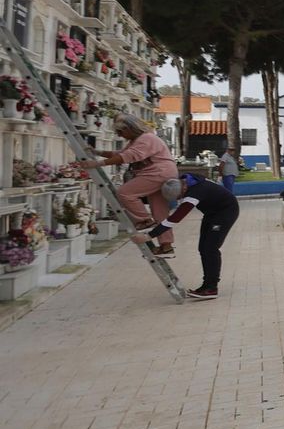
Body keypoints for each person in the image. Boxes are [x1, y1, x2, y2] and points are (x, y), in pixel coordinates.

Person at [78, 113, 178, 256]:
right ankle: (166, 244)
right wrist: (97, 152)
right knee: (160, 211)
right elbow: (120, 153)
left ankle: (144, 220)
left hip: (157, 172)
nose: (120, 135)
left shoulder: (146, 139)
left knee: (125, 193)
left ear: (131, 128)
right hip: (161, 172)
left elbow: (127, 156)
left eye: (121, 131)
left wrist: (97, 163)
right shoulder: (138, 140)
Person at [130, 173, 239, 299]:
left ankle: (211, 288)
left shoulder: (194, 194)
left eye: (179, 197)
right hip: (211, 213)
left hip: (226, 212)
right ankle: (207, 285)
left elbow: (174, 219)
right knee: (203, 248)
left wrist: (149, 236)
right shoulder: (185, 181)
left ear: (183, 190)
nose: (180, 199)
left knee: (210, 248)